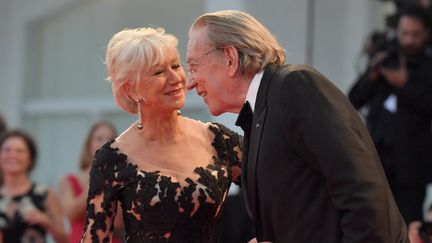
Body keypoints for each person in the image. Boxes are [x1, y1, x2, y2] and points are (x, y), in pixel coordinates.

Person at [186, 10, 408, 243]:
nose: (190, 82)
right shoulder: (260, 109)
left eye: (193, 66)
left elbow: (363, 195)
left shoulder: (294, 87)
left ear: (230, 58)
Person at [80, 27, 242, 243]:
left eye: (175, 66)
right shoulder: (113, 158)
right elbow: (95, 239)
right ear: (131, 89)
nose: (176, 78)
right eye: (158, 72)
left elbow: (276, 190)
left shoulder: (217, 140)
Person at [349, 7, 432, 224]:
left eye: (415, 34)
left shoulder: (427, 67)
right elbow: (354, 99)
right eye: (404, 33)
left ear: (426, 34)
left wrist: (405, 85)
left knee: (408, 221)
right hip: (377, 158)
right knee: (374, 219)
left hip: (411, 166)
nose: (409, 40)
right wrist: (373, 76)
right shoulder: (387, 57)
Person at [59, 121, 124, 243]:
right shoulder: (70, 180)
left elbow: (119, 223)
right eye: (98, 139)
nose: (104, 143)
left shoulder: (118, 179)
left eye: (110, 139)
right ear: (89, 144)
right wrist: (97, 183)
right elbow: (70, 214)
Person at [0, 130, 68, 243]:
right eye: (7, 150)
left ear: (30, 159)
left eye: (19, 151)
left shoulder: (45, 193)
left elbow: (65, 239)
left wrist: (46, 222)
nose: (12, 155)